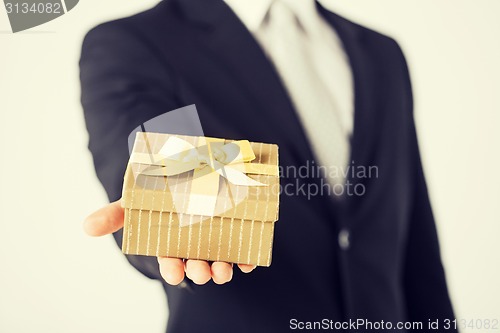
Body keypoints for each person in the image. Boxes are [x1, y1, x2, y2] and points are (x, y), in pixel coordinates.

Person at [80, 0, 456, 332]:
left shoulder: (381, 54)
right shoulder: (137, 43)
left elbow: (416, 245)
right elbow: (154, 169)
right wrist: (169, 228)